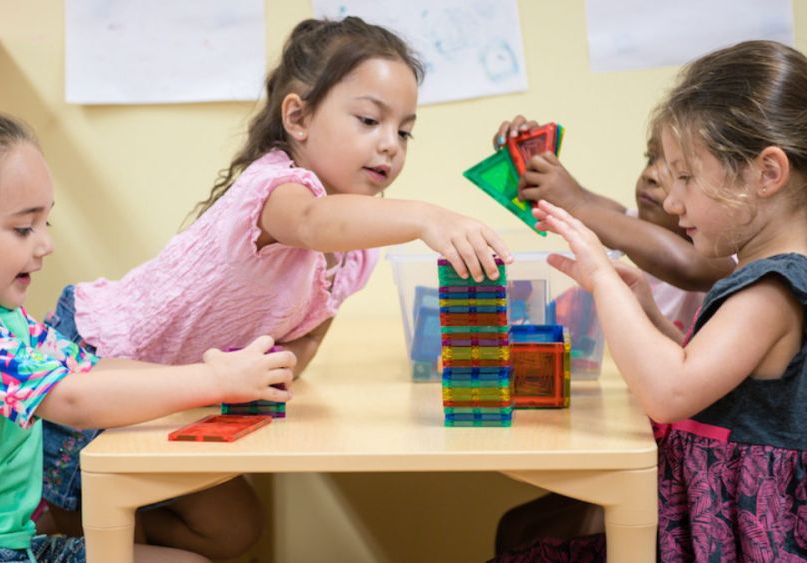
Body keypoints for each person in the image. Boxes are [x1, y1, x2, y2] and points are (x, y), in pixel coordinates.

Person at [41, 15, 514, 544]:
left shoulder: (354, 251)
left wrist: (271, 374)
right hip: (96, 362)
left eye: (404, 131)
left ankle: (83, 535)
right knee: (78, 512)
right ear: (298, 117)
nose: (390, 145)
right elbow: (313, 225)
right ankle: (41, 526)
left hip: (175, 396)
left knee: (234, 531)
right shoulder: (275, 188)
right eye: (368, 120)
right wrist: (428, 217)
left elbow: (302, 341)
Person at [0, 102, 295, 563]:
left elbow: (92, 366)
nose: (46, 244)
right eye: (24, 229)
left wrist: (209, 375)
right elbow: (72, 400)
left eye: (47, 220)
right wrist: (212, 383)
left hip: (6, 547)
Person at [496, 40, 807, 561]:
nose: (669, 199)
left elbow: (669, 391)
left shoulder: (772, 287)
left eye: (686, 176)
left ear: (767, 174)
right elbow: (709, 379)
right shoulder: (767, 277)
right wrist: (647, 313)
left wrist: (602, 278)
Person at [492, 116, 735, 336]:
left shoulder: (725, 250)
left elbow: (687, 264)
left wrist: (574, 202)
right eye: (650, 158)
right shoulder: (631, 223)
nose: (650, 173)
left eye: (679, 171)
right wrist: (530, 162)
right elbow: (598, 209)